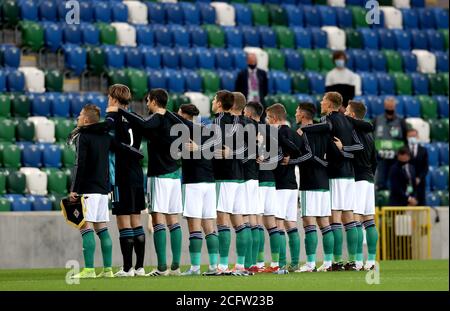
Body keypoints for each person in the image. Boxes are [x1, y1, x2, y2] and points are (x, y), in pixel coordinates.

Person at [115, 89, 184, 276]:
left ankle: (162, 267)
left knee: (158, 218)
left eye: (147, 101)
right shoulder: (173, 118)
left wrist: (120, 111)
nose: (146, 104)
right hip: (175, 174)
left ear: (154, 101)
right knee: (174, 220)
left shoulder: (157, 118)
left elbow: (143, 124)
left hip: (160, 175)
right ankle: (176, 266)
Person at [168, 104, 219, 276]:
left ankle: (195, 267)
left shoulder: (183, 132)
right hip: (210, 183)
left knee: (195, 227)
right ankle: (213, 266)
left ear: (182, 115)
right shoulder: (207, 130)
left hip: (193, 183)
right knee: (209, 226)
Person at [294, 103, 343, 272]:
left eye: (297, 111)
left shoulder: (302, 132)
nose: (295, 114)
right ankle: (328, 263)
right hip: (324, 181)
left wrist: (291, 161)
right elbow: (336, 155)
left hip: (309, 181)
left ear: (302, 114)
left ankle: (310, 263)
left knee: (309, 223)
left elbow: (306, 156)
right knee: (324, 223)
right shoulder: (323, 132)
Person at [320, 92, 366, 271]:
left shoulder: (327, 120)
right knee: (349, 218)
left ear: (330, 104)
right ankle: (353, 261)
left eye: (324, 100)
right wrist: (345, 149)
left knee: (335, 218)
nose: (321, 102)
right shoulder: (349, 121)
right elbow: (359, 146)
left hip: (335, 173)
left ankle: (337, 261)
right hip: (349, 174)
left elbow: (325, 144)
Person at [68, 105, 115, 279]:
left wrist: (74, 189)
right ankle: (108, 270)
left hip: (88, 188)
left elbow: (80, 164)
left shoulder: (83, 136)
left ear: (86, 120)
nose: (78, 117)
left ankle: (89, 270)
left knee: (85, 227)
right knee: (102, 228)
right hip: (103, 190)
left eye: (80, 115)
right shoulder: (105, 137)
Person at [105, 85, 146, 277]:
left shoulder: (111, 119)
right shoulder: (134, 117)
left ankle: (127, 268)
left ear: (113, 98)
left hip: (121, 174)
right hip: (137, 173)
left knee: (123, 221)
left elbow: (110, 142)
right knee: (136, 219)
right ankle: (139, 267)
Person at [266, 103, 311, 273]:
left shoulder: (276, 134)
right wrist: (292, 159)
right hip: (293, 184)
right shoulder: (295, 134)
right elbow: (303, 154)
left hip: (280, 185)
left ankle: (282, 264)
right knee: (291, 224)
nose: (267, 122)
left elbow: (276, 156)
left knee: (278, 225)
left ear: (275, 118)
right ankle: (294, 263)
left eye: (268, 118)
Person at [210, 90, 250, 276]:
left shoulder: (218, 121)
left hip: (224, 175)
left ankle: (223, 266)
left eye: (214, 99)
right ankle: (240, 266)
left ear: (219, 103)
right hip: (240, 176)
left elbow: (212, 148)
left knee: (222, 219)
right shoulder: (241, 122)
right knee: (239, 221)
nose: (212, 101)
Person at [244, 101, 281, 273]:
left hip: (257, 180)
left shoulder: (249, 129)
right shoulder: (271, 130)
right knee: (272, 224)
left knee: (255, 223)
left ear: (249, 115)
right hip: (271, 180)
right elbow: (278, 156)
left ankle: (255, 263)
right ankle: (275, 263)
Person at [344, 101, 379, 271]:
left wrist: (342, 147)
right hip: (369, 178)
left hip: (357, 179)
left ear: (352, 115)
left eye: (347, 111)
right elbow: (375, 160)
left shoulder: (354, 131)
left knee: (356, 220)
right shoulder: (369, 134)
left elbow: (356, 149)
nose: (344, 114)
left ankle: (357, 261)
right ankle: (371, 260)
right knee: (369, 221)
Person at [231, 93, 261, 273]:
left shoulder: (238, 123)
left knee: (243, 220)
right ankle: (252, 263)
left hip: (242, 175)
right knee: (251, 220)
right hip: (253, 175)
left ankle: (245, 263)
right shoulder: (252, 124)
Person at [374, 97, 409, 190]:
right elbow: (371, 138)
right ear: (384, 106)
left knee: (395, 184)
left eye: (391, 106)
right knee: (380, 183)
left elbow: (405, 140)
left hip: (396, 159)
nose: (389, 109)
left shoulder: (401, 121)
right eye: (388, 106)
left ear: (395, 106)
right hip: (380, 159)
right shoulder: (377, 120)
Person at [406, 128, 429, 206]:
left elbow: (425, 167)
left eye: (414, 136)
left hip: (420, 182)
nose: (412, 138)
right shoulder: (403, 149)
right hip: (406, 181)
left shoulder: (423, 150)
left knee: (421, 203)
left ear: (417, 137)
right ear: (407, 137)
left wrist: (419, 178)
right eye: (410, 136)